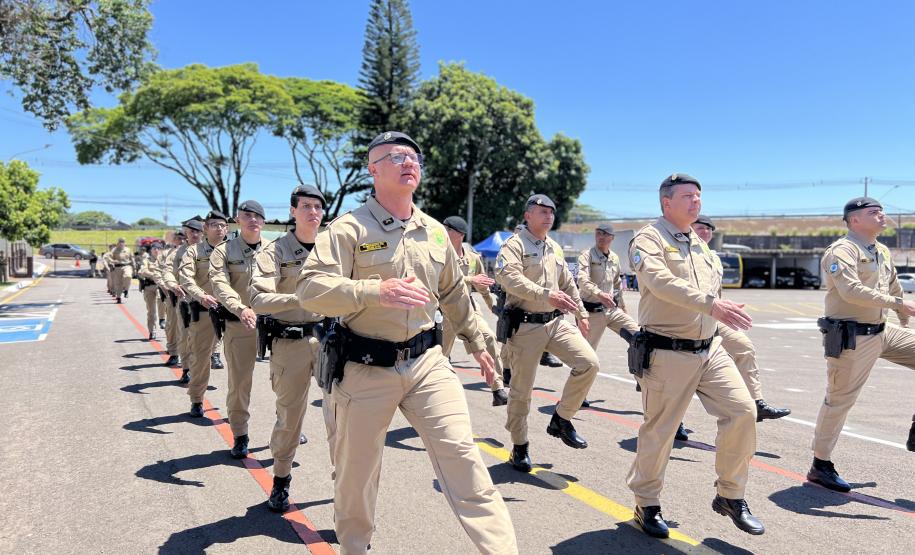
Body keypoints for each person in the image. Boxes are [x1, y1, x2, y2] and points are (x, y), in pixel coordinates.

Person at [297, 131, 517, 555]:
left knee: (464, 459)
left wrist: (476, 342)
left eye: (413, 156)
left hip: (426, 362)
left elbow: (453, 291)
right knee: (355, 476)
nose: (408, 162)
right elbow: (311, 288)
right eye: (395, 156)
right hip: (364, 365)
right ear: (372, 169)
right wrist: (373, 291)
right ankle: (355, 548)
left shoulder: (435, 232)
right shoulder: (349, 228)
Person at [627, 173, 763, 538]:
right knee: (661, 432)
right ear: (666, 202)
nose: (696, 202)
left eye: (699, 196)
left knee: (743, 411)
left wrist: (718, 313)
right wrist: (712, 305)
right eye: (688, 196)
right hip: (669, 348)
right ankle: (646, 504)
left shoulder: (700, 245)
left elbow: (710, 293)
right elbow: (657, 281)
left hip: (710, 348)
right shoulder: (648, 238)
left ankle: (730, 495)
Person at [807, 197, 915, 492]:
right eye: (874, 212)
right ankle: (820, 465)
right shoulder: (841, 251)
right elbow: (850, 291)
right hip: (853, 336)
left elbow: (893, 284)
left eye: (882, 211)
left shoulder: (881, 250)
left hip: (882, 331)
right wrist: (897, 302)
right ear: (855, 220)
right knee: (839, 400)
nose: (883, 216)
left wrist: (902, 315)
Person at [495, 193, 599, 473]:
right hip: (526, 326)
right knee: (521, 392)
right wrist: (545, 294)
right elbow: (509, 278)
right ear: (527, 215)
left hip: (556, 323)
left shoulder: (553, 247)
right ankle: (520, 446)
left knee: (589, 363)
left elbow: (567, 282)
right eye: (542, 211)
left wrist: (582, 312)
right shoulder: (514, 245)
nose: (548, 216)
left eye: (551, 212)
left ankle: (561, 419)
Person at [250, 184, 335, 511]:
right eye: (306, 207)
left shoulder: (335, 249)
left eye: (318, 207)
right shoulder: (275, 251)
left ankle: (344, 489)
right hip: (290, 342)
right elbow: (258, 299)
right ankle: (281, 480)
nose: (313, 212)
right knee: (289, 418)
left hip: (331, 342)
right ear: (292, 211)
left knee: (340, 418)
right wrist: (302, 299)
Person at [691, 215, 790, 422]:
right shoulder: (683, 253)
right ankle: (675, 422)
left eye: (709, 229)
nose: (705, 232)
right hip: (687, 320)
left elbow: (715, 292)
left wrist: (724, 311)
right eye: (700, 228)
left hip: (712, 319)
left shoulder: (714, 258)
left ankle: (756, 402)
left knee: (744, 348)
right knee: (684, 372)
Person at [210, 200, 265, 458]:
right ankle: (240, 434)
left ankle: (288, 426)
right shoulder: (224, 251)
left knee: (287, 381)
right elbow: (220, 283)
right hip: (240, 325)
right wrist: (240, 307)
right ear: (238, 220)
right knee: (240, 383)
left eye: (257, 216)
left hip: (273, 326)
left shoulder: (276, 250)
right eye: (247, 215)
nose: (253, 219)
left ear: (263, 222)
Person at [441, 215, 510, 406]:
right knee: (441, 356)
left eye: (446, 229)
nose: (442, 232)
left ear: (457, 234)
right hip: (444, 309)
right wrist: (471, 280)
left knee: (488, 337)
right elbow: (443, 280)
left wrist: (492, 307)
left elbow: (483, 286)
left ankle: (498, 389)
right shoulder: (439, 254)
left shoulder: (472, 258)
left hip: (468, 307)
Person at [576, 223, 639, 409]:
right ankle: (578, 396)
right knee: (586, 357)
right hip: (591, 312)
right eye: (598, 233)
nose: (601, 237)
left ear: (612, 238)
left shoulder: (614, 258)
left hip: (611, 311)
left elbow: (618, 284)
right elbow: (582, 279)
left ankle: (642, 379)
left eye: (606, 235)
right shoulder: (586, 255)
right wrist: (599, 294)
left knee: (640, 338)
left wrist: (623, 309)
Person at [179, 211, 227, 417]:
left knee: (238, 363)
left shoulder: (235, 250)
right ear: (205, 228)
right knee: (200, 358)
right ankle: (197, 398)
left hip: (233, 313)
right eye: (214, 224)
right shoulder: (194, 252)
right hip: (206, 312)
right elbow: (186, 278)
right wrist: (201, 296)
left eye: (222, 225)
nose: (219, 228)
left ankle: (237, 408)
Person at [161, 229, 191, 371]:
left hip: (195, 297)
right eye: (177, 238)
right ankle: (174, 353)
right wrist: (170, 286)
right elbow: (164, 272)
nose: (180, 240)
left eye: (182, 238)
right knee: (173, 326)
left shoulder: (201, 250)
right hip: (176, 295)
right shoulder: (171, 254)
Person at [137, 244, 161, 340]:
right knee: (151, 311)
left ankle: (164, 323)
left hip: (161, 287)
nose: (156, 250)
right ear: (151, 250)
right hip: (149, 287)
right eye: (154, 248)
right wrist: (153, 275)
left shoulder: (164, 260)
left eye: (159, 248)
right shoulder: (146, 260)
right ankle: (152, 331)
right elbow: (142, 271)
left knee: (164, 307)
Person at [109, 238, 134, 303]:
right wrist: (112, 261)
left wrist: (134, 266)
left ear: (125, 243)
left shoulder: (128, 250)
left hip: (127, 266)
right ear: (118, 243)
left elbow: (132, 258)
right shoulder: (114, 250)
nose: (121, 243)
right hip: (117, 267)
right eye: (120, 241)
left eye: (123, 242)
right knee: (118, 283)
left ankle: (126, 290)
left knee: (128, 276)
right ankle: (118, 297)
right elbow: (109, 257)